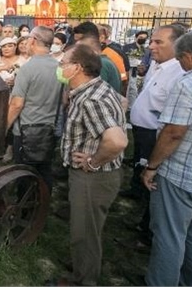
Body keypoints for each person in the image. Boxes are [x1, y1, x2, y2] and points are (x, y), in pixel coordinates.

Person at [57, 44, 127, 286]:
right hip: (98, 176)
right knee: (89, 229)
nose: (59, 67)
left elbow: (117, 141)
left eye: (63, 63)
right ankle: (83, 265)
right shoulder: (97, 89)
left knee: (85, 233)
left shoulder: (91, 100)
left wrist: (93, 162)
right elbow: (123, 102)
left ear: (77, 68)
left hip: (92, 177)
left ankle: (83, 280)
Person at [141, 31, 192, 287]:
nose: (178, 63)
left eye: (179, 58)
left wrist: (151, 167)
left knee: (169, 237)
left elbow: (173, 133)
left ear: (188, 56)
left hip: (181, 175)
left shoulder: (188, 83)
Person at [119, 25, 186, 248]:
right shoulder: (157, 66)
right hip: (141, 130)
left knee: (152, 179)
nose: (151, 46)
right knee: (140, 168)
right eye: (152, 41)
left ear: (177, 45)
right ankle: (141, 213)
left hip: (155, 134)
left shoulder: (179, 73)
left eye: (159, 42)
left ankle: (148, 232)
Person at [6, 26, 62, 190]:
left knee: (24, 175)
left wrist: (4, 127)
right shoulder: (59, 67)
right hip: (48, 130)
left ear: (33, 40)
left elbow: (16, 105)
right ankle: (42, 206)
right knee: (44, 172)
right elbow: (64, 99)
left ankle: (26, 212)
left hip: (25, 132)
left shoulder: (27, 69)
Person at [73, 22, 122, 94]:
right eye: (75, 41)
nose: (76, 44)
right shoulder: (99, 61)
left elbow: (93, 94)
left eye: (80, 40)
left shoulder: (100, 64)